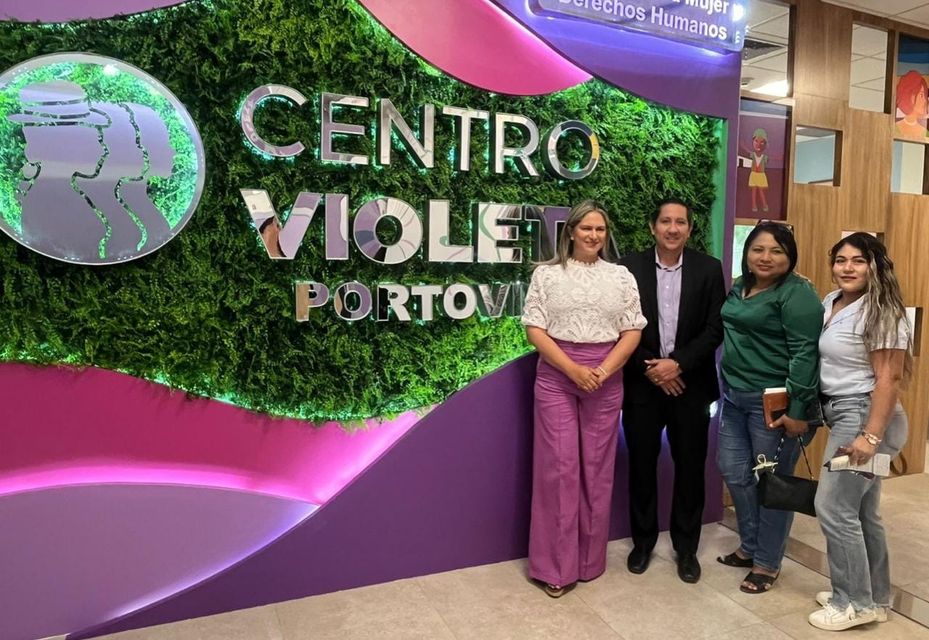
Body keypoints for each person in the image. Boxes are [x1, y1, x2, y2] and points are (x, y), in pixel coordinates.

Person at [521, 199, 646, 597]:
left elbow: (632, 330)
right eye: (586, 228)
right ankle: (556, 569)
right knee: (559, 470)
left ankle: (589, 562)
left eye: (600, 229)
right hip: (557, 376)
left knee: (596, 468)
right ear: (571, 231)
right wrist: (573, 370)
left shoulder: (621, 276)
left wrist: (603, 371)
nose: (593, 235)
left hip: (606, 377)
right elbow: (535, 329)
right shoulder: (546, 275)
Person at [807, 232, 912, 631]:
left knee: (833, 507)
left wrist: (870, 437)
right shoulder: (832, 302)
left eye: (858, 260)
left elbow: (889, 378)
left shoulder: (882, 310)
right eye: (840, 260)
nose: (847, 268)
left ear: (874, 266)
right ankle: (875, 596)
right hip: (844, 413)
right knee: (862, 511)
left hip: (865, 415)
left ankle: (852, 601)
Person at [619, 199, 725, 584]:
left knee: (691, 469)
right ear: (653, 226)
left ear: (690, 229)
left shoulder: (708, 269)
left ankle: (686, 548)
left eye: (681, 222)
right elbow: (619, 325)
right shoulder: (628, 269)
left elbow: (715, 327)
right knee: (641, 467)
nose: (673, 228)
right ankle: (643, 543)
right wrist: (654, 369)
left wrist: (677, 364)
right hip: (642, 387)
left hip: (690, 387)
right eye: (665, 221)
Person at [716, 221, 822, 594]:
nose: (766, 257)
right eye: (758, 249)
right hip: (734, 397)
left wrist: (797, 410)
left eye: (777, 251)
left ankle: (766, 562)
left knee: (772, 484)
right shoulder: (739, 286)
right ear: (747, 253)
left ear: (790, 257)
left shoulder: (797, 294)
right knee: (734, 471)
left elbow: (805, 353)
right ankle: (749, 545)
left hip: (775, 404)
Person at [894, 70, 929, 140]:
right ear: (910, 96)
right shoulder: (894, 128)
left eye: (925, 96)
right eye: (921, 95)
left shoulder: (926, 133)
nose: (925, 100)